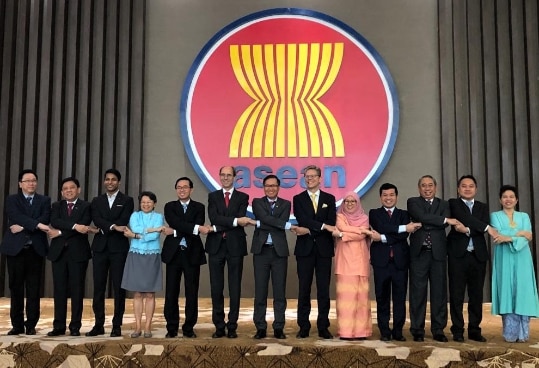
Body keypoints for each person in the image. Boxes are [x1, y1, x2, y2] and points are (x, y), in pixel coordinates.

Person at [407, 175, 459, 342]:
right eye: (423, 185)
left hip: (438, 254)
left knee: (439, 293)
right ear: (419, 188)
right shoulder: (413, 202)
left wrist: (429, 221)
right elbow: (423, 217)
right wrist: (442, 220)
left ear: (435, 187)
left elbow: (433, 222)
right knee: (417, 293)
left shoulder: (444, 204)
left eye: (430, 185)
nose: (427, 188)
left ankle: (438, 329)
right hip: (419, 253)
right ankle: (417, 329)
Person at [205, 166, 255, 338]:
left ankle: (232, 326)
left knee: (235, 288)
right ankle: (219, 326)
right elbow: (214, 218)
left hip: (235, 246)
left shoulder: (243, 197)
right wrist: (234, 221)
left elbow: (234, 219)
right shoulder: (213, 196)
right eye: (223, 175)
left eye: (229, 175)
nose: (225, 178)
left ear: (235, 177)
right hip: (216, 247)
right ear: (219, 177)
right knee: (216, 288)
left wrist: (220, 225)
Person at [0, 169, 51, 335]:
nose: (31, 183)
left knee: (34, 289)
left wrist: (24, 226)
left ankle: (31, 325)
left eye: (34, 180)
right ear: (20, 184)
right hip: (15, 250)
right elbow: (15, 216)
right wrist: (36, 225)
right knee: (16, 288)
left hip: (35, 250)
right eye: (27, 181)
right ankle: (17, 325)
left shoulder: (44, 200)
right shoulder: (12, 199)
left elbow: (45, 219)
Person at [447, 175, 497, 342]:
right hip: (457, 256)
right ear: (458, 189)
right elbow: (466, 218)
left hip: (478, 256)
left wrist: (468, 230)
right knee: (456, 294)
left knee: (476, 295)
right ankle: (458, 330)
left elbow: (474, 226)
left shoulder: (482, 207)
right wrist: (487, 227)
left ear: (476, 189)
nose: (467, 189)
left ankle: (475, 330)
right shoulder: (453, 204)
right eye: (464, 186)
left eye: (471, 186)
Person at [251, 174, 301, 340]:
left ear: (278, 188)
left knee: (279, 292)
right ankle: (260, 327)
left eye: (274, 186)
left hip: (279, 252)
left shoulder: (286, 204)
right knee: (260, 291)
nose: (270, 188)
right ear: (263, 187)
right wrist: (286, 225)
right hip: (261, 251)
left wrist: (258, 223)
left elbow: (268, 221)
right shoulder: (257, 202)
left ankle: (279, 327)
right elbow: (266, 219)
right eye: (267, 186)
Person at [369, 183, 420, 342]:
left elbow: (402, 236)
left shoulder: (404, 214)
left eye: (391, 195)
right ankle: (384, 330)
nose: (388, 198)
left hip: (400, 261)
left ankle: (398, 330)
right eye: (385, 195)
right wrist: (404, 228)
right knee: (381, 297)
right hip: (381, 262)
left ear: (396, 196)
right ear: (380, 197)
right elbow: (381, 226)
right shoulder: (374, 213)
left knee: (399, 297)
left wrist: (382, 237)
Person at [87, 169, 134, 337]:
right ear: (104, 182)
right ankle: (98, 324)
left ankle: (117, 325)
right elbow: (96, 219)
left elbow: (124, 220)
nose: (110, 182)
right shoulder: (96, 200)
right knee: (98, 288)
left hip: (118, 249)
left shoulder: (127, 200)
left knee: (118, 288)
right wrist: (113, 226)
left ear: (119, 182)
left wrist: (110, 226)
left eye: (113, 179)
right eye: (107, 179)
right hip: (100, 248)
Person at [47, 177, 96, 337]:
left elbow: (84, 224)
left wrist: (60, 232)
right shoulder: (56, 206)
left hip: (78, 253)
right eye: (65, 188)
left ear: (78, 189)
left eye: (72, 187)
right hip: (59, 253)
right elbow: (55, 221)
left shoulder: (86, 206)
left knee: (77, 290)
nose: (68, 190)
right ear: (62, 192)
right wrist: (74, 226)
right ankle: (58, 326)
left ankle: (75, 326)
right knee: (59, 290)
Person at [162, 177, 210, 338]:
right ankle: (172, 327)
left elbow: (180, 225)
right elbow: (176, 222)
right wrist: (194, 228)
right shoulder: (170, 206)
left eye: (185, 187)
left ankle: (189, 327)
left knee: (191, 292)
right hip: (174, 255)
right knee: (171, 293)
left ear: (191, 189)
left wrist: (175, 231)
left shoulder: (199, 207)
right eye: (179, 187)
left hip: (192, 254)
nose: (182, 190)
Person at [490, 185, 539, 342]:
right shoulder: (494, 215)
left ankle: (523, 334)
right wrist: (520, 233)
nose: (508, 199)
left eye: (511, 196)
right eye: (505, 196)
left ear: (516, 199)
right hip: (504, 256)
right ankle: (510, 334)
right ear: (500, 200)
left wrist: (510, 237)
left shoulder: (524, 216)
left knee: (522, 291)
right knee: (507, 290)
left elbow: (529, 236)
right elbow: (498, 235)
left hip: (522, 256)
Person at [293, 165, 336, 339]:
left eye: (312, 176)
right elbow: (303, 219)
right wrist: (323, 226)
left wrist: (310, 230)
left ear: (320, 178)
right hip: (304, 251)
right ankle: (303, 326)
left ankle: (323, 326)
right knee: (304, 289)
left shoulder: (329, 198)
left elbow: (331, 220)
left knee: (323, 290)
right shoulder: (298, 198)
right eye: (306, 176)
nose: (309, 178)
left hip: (324, 250)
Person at [121, 191, 165, 338]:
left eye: (149, 202)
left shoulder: (159, 217)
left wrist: (136, 236)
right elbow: (136, 229)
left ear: (154, 203)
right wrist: (147, 231)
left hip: (152, 255)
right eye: (143, 202)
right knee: (138, 293)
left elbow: (155, 237)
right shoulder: (135, 215)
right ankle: (138, 327)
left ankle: (148, 327)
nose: (146, 204)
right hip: (136, 255)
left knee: (150, 294)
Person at [331, 191, 373, 340]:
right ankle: (346, 332)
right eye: (347, 201)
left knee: (361, 298)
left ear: (357, 203)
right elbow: (344, 228)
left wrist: (343, 235)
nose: (349, 204)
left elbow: (361, 236)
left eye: (353, 201)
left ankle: (362, 332)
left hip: (360, 262)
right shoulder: (339, 216)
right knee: (346, 299)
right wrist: (361, 230)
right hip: (344, 263)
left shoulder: (364, 217)